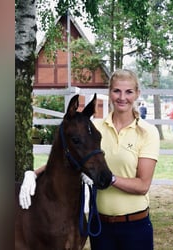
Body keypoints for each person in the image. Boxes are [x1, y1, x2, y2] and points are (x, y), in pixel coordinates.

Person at [19, 69, 160, 250]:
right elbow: (73, 157)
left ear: (137, 94)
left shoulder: (147, 132)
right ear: (109, 93)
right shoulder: (94, 129)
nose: (122, 97)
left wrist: (109, 178)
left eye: (128, 92)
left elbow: (142, 186)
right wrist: (32, 174)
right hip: (101, 226)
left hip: (134, 225)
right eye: (117, 91)